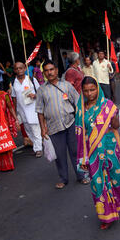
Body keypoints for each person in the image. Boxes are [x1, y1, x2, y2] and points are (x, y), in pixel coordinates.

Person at [76, 76, 120, 230]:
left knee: (118, 180)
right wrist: (82, 158)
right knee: (99, 184)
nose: (90, 93)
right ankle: (106, 215)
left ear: (98, 89)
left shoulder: (108, 105)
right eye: (86, 91)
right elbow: (80, 135)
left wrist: (116, 115)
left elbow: (115, 125)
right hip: (93, 152)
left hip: (111, 148)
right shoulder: (81, 111)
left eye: (92, 90)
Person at [35, 59, 89, 189]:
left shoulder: (66, 86)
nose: (49, 72)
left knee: (75, 152)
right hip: (53, 127)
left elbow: (78, 103)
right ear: (44, 73)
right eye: (46, 71)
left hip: (70, 123)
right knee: (59, 155)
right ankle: (63, 179)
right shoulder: (41, 90)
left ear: (57, 70)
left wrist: (82, 121)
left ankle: (81, 176)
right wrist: (43, 129)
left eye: (51, 69)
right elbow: (40, 111)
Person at [12, 62, 43, 158]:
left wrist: (35, 96)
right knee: (28, 130)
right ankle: (37, 145)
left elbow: (41, 93)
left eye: (20, 68)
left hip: (33, 110)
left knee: (35, 129)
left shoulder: (31, 80)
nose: (19, 70)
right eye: (16, 68)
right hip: (22, 112)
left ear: (25, 68)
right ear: (14, 70)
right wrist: (15, 113)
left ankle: (38, 149)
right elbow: (14, 97)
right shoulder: (14, 82)